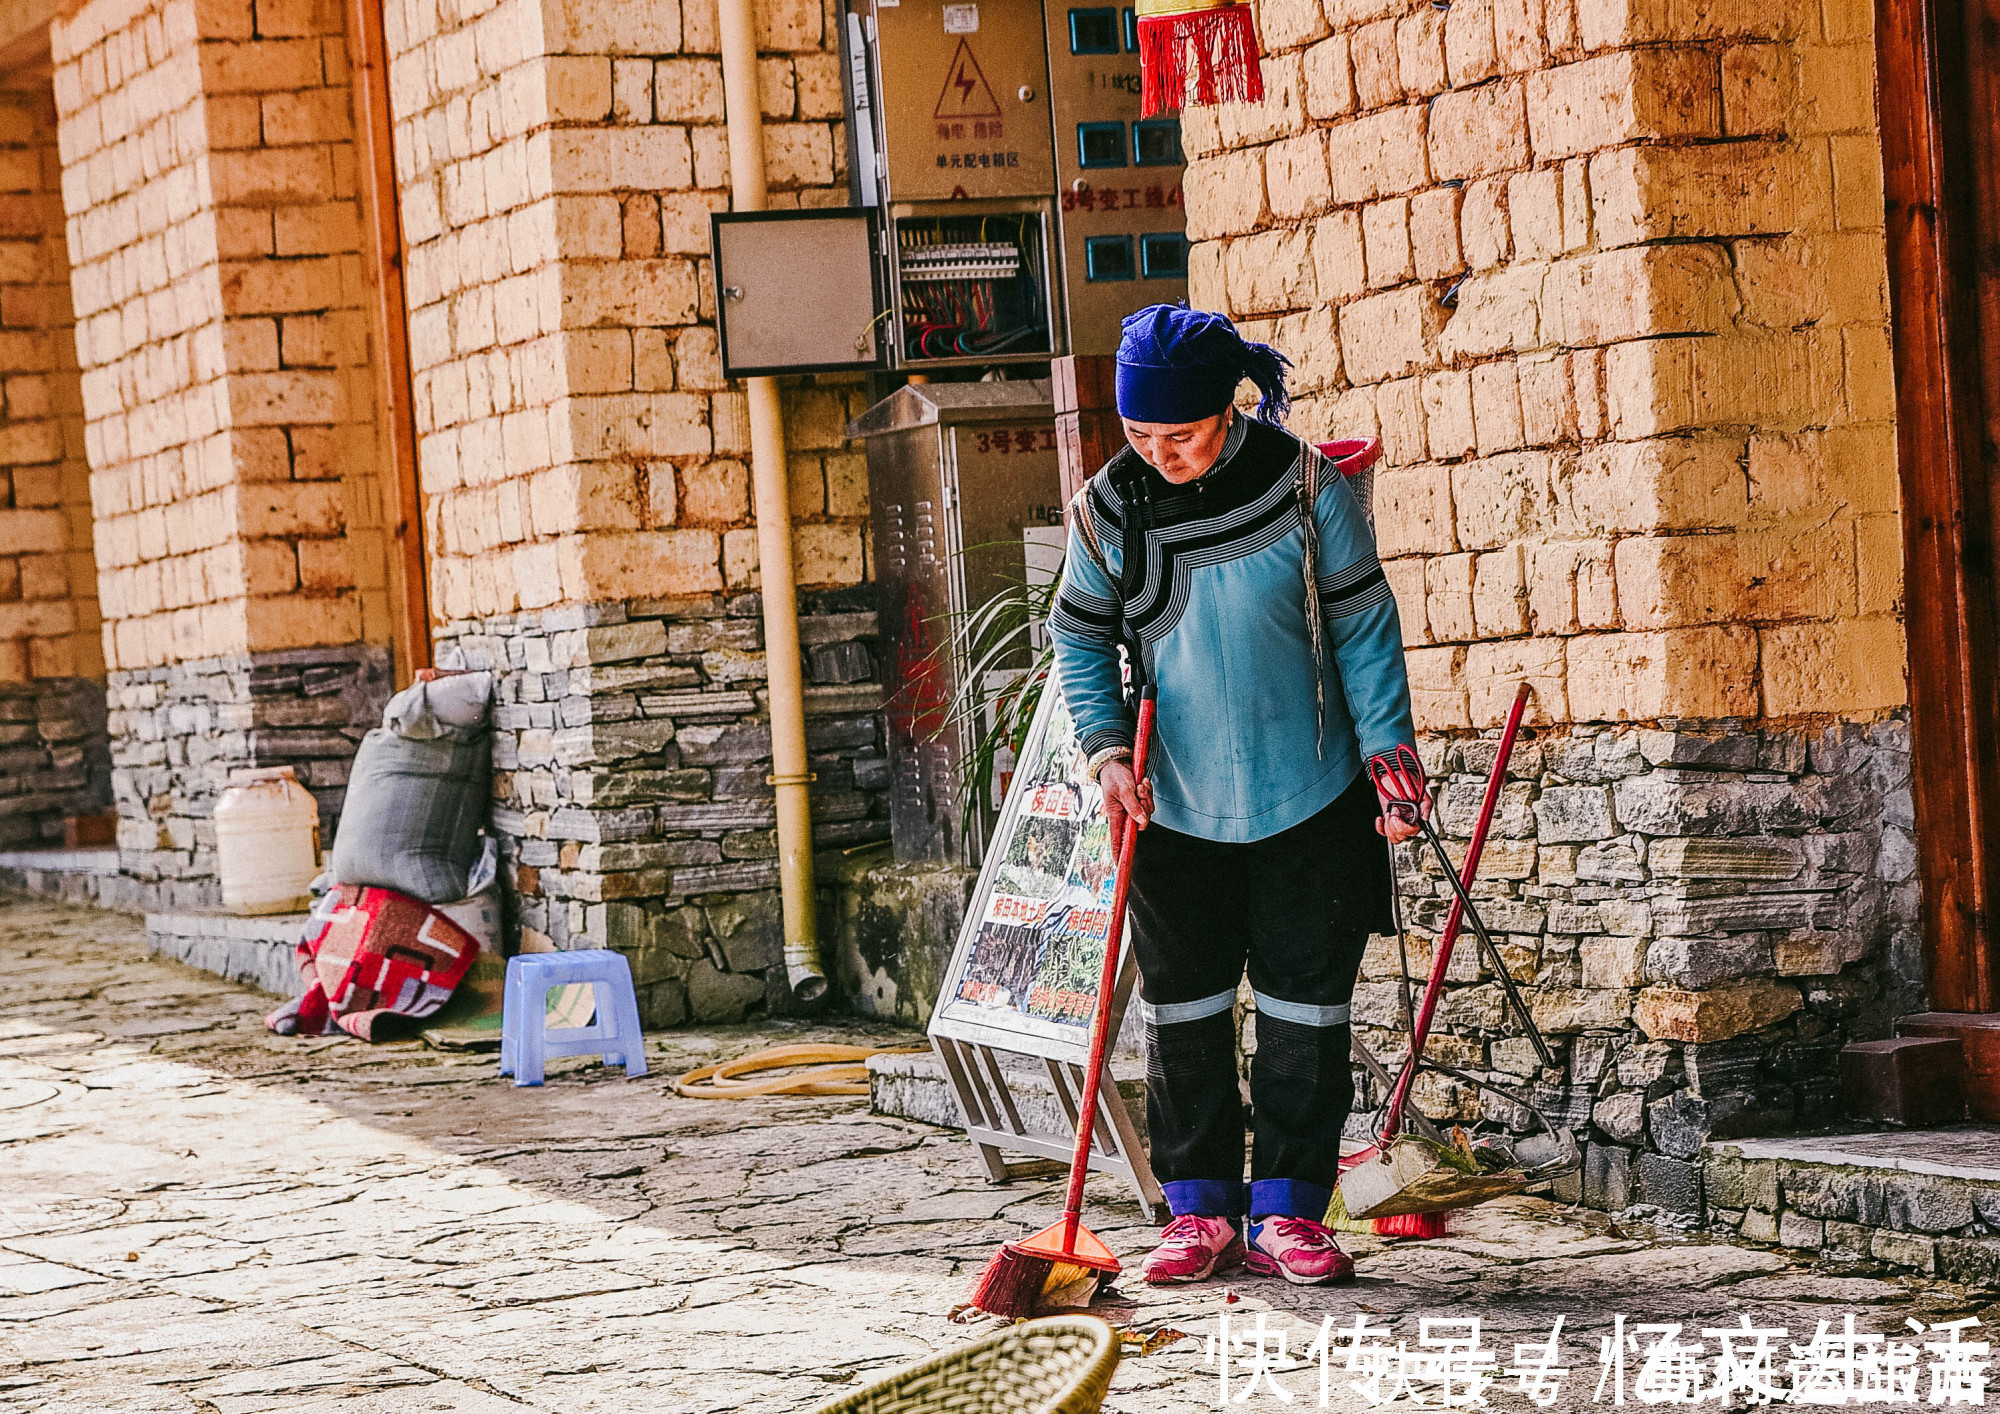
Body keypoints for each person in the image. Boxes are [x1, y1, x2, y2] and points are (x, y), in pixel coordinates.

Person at [1047, 304, 1430, 1287]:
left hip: (1311, 792)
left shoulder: (1305, 486)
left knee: (1306, 1011)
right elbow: (1080, 637)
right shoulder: (1106, 510)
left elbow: (1360, 625)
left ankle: (1290, 1212)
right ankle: (1199, 1211)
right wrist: (1103, 755)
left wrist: (1388, 759)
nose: (1160, 454)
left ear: (1229, 408)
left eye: (1179, 434)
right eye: (1140, 435)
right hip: (1171, 804)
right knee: (1185, 1012)